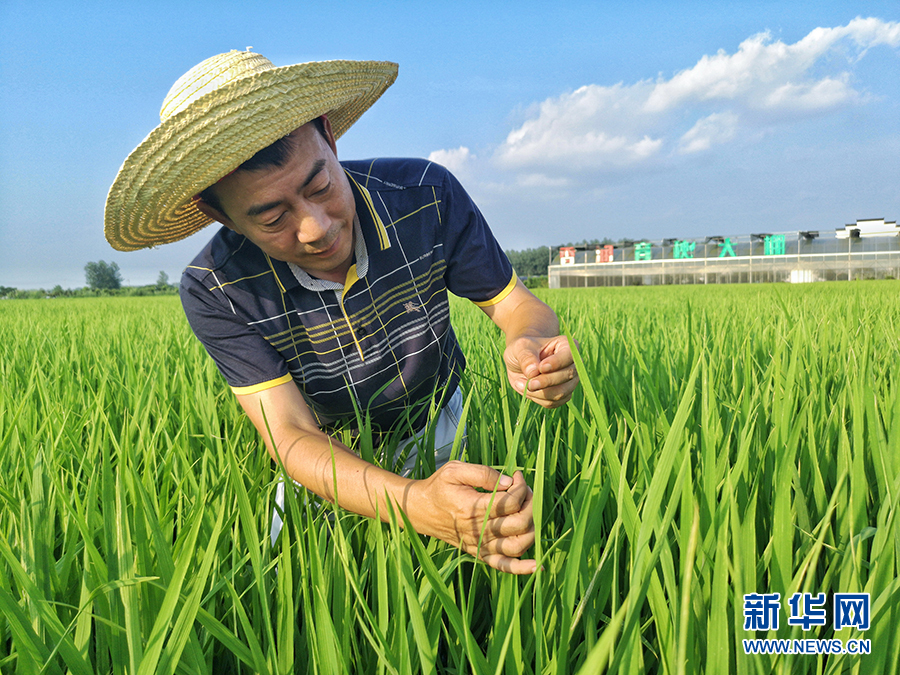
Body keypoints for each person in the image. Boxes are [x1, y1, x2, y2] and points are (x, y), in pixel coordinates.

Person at [104, 50, 578, 575]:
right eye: (272, 218)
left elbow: (516, 305)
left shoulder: (425, 195)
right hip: (327, 452)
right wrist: (412, 503)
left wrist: (529, 343)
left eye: (319, 187)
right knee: (296, 580)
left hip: (434, 418)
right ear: (220, 215)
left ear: (328, 136)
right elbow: (290, 433)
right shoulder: (214, 287)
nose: (315, 228)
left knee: (462, 568)